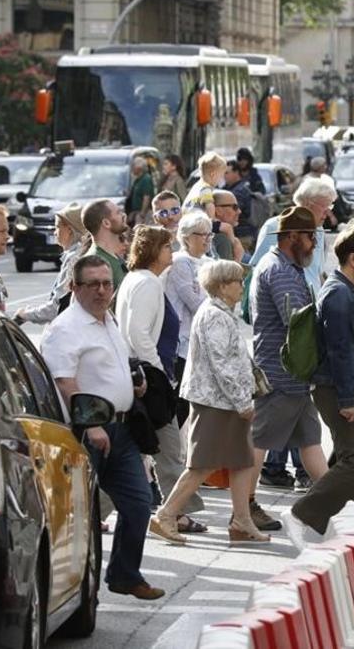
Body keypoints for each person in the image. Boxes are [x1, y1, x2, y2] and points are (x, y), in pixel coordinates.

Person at [41, 255, 164, 601]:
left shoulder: (107, 319)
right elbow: (64, 382)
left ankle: (125, 575)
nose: (101, 290)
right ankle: (81, 592)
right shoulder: (65, 329)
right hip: (88, 434)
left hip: (122, 431)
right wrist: (91, 423)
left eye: (107, 283)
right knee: (82, 518)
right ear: (74, 287)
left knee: (139, 505)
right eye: (92, 284)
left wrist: (133, 384)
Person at [151, 260, 268, 544]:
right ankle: (165, 515)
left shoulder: (221, 312)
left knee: (241, 461)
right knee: (202, 464)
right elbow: (220, 364)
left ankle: (241, 521)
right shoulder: (214, 314)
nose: (242, 287)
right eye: (238, 281)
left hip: (225, 401)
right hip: (217, 402)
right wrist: (242, 401)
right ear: (223, 285)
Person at [284, 228, 354, 547]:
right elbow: (338, 350)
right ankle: (303, 513)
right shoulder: (339, 293)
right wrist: (346, 398)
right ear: (352, 259)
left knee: (350, 457)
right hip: (339, 387)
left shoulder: (344, 289)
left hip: (346, 385)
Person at [115, 225, 205, 537]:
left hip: (140, 374)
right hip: (147, 377)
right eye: (167, 247)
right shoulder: (147, 283)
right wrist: (156, 375)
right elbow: (138, 333)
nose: (172, 252)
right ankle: (175, 513)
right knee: (168, 448)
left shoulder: (140, 280)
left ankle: (175, 512)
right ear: (154, 252)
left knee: (135, 448)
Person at [248, 206, 330, 530]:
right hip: (280, 375)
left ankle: (333, 503)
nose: (313, 244)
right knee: (258, 443)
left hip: (293, 375)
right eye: (310, 237)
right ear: (293, 236)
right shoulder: (280, 270)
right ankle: (244, 508)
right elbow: (298, 325)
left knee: (311, 440)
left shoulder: (286, 266)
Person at [165, 211, 213, 423]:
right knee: (180, 403)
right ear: (186, 237)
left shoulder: (208, 261)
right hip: (182, 342)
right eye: (201, 234)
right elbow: (196, 303)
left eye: (209, 233)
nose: (207, 238)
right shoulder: (180, 262)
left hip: (201, 341)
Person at [250, 176, 335, 293]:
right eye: (324, 206)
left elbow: (317, 273)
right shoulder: (275, 226)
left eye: (330, 206)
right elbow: (258, 270)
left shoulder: (319, 231)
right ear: (307, 203)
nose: (328, 212)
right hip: (283, 301)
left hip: (311, 305)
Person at [14, 203, 88, 325]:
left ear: (69, 230)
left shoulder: (73, 259)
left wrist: (25, 314)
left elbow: (56, 308)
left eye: (57, 227)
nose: (54, 233)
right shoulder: (80, 253)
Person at [82, 199, 130, 293]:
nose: (124, 215)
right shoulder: (94, 264)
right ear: (106, 223)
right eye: (118, 213)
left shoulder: (113, 257)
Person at [184, 151, 224, 216]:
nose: (222, 178)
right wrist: (212, 220)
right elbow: (209, 206)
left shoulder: (197, 186)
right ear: (213, 174)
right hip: (197, 221)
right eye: (221, 175)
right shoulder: (206, 188)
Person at [210, 189, 246, 262]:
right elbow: (227, 273)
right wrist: (238, 259)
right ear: (218, 210)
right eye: (235, 207)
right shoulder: (221, 238)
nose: (239, 211)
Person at [224, 161, 256, 239]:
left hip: (242, 235)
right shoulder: (232, 187)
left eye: (227, 173)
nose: (224, 176)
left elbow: (230, 213)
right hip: (241, 233)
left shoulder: (239, 191)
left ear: (236, 173)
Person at [127, 157, 155, 225]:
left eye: (133, 166)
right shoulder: (137, 180)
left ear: (139, 168)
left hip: (144, 214)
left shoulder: (146, 179)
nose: (131, 168)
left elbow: (146, 197)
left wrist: (142, 213)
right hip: (136, 212)